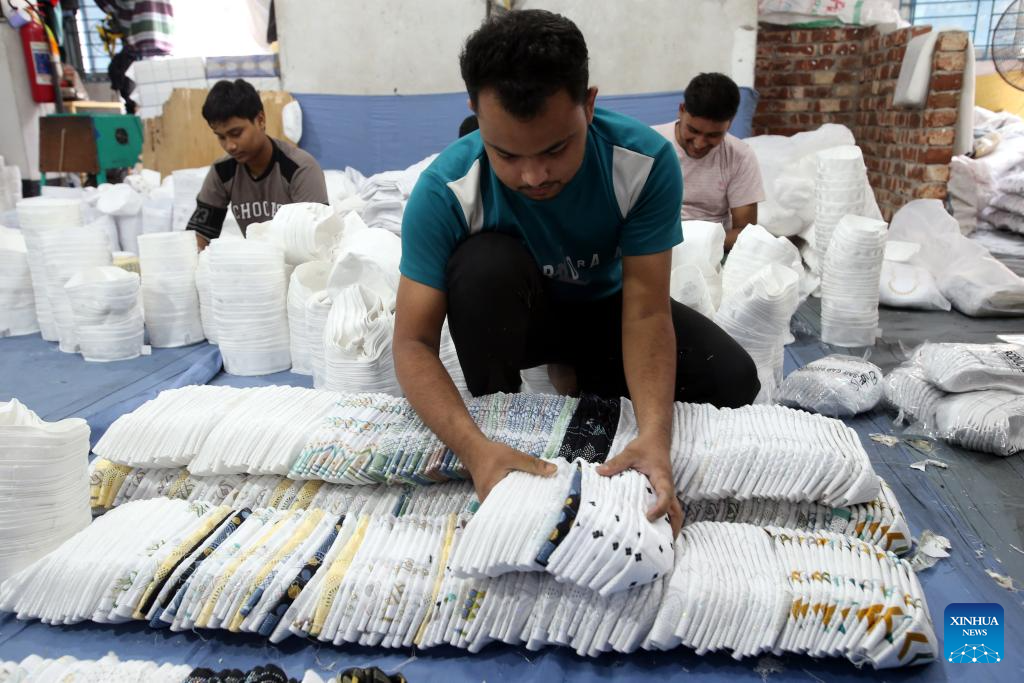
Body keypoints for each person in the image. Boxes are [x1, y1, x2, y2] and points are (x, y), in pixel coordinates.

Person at [394, 10, 760, 536]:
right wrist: (474, 450)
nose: (534, 176)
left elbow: (646, 310)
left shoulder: (643, 162)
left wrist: (655, 436)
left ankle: (575, 367)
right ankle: (505, 420)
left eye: (556, 148)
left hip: (602, 312)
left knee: (735, 381)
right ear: (476, 111)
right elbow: (411, 342)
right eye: (506, 153)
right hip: (517, 316)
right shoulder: (445, 190)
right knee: (483, 267)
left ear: (589, 104)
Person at [186, 79, 328, 249]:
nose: (230, 145)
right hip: (257, 265)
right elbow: (199, 236)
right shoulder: (222, 171)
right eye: (221, 137)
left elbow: (317, 241)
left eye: (236, 133)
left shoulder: (299, 168)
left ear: (260, 120)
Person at [652, 73, 764, 250]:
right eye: (692, 130)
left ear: (730, 123)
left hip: (713, 249)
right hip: (654, 246)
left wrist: (693, 246)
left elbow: (745, 232)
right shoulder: (649, 145)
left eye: (713, 135)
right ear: (681, 110)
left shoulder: (740, 156)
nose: (699, 144)